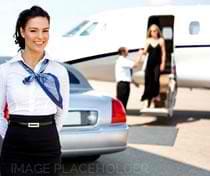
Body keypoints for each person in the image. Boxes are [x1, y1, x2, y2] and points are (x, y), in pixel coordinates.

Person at [0, 6, 69, 176]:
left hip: (48, 141)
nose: (40, 37)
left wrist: (48, 134)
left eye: (45, 31)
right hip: (15, 141)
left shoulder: (59, 70)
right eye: (33, 30)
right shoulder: (6, 70)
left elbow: (62, 111)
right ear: (22, 32)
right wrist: (10, 133)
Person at [141, 24, 166, 108]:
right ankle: (148, 99)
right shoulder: (148, 40)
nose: (153, 32)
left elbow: (163, 53)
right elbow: (145, 51)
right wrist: (142, 52)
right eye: (151, 31)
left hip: (157, 64)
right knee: (148, 81)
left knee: (156, 79)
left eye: (154, 30)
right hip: (149, 64)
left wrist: (163, 63)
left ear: (158, 31)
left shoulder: (161, 40)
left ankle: (155, 97)